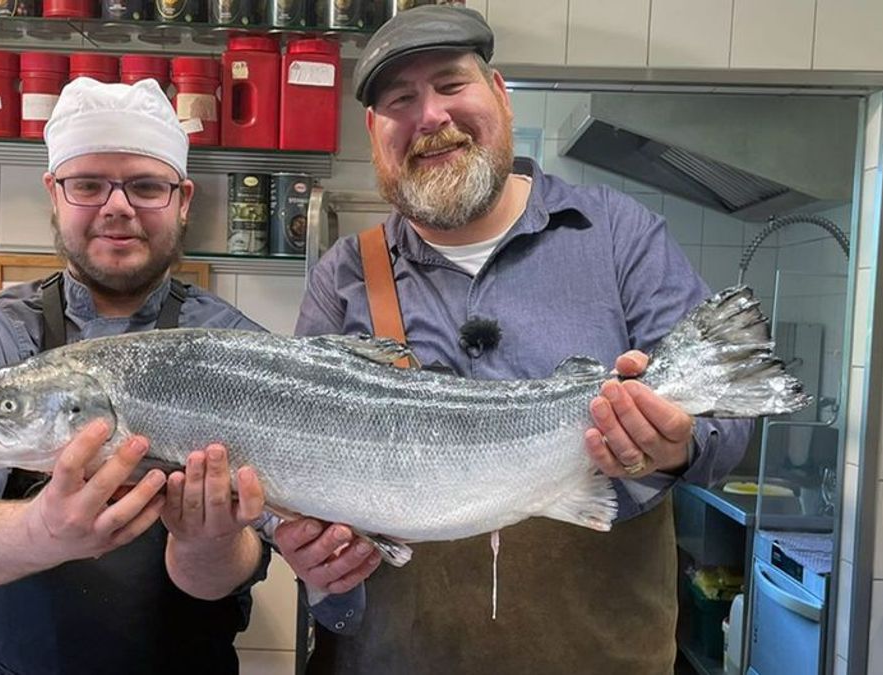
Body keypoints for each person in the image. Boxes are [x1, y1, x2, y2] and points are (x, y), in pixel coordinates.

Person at [276, 5, 754, 674]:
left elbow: (729, 421)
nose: (430, 116)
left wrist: (674, 443)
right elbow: (297, 465)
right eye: (400, 100)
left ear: (498, 93)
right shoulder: (347, 275)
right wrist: (296, 536)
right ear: (374, 131)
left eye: (450, 84)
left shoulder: (620, 236)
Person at [0, 77, 352, 675]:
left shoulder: (239, 352)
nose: (117, 207)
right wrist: (43, 531)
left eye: (145, 186)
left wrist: (204, 541)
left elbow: (231, 570)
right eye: (88, 184)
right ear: (54, 193)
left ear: (182, 199)